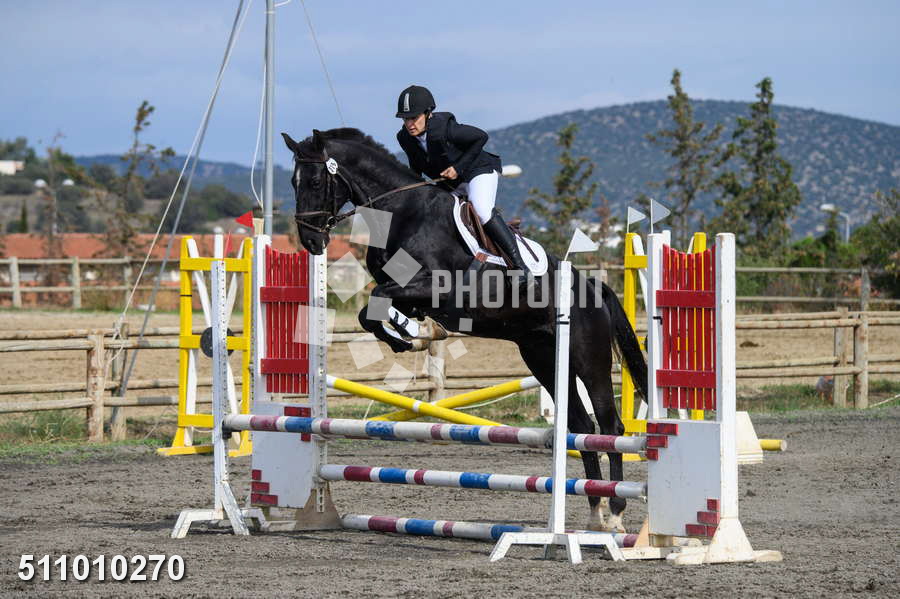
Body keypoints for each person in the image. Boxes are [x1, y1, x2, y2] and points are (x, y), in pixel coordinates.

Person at [395, 85, 530, 274]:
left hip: (477, 172)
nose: (409, 124)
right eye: (405, 119)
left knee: (481, 209)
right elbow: (415, 165)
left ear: (428, 113)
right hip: (452, 184)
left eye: (414, 118)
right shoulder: (404, 137)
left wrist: (458, 168)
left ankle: (520, 266)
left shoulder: (446, 128)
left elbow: (481, 137)